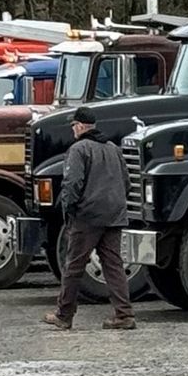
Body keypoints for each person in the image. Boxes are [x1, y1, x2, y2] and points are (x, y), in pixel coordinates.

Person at [45, 109, 134, 329]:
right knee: (114, 265)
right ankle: (124, 315)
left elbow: (72, 183)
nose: (72, 129)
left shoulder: (79, 149)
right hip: (114, 215)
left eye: (73, 125)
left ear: (81, 126)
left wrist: (69, 209)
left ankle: (64, 314)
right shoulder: (113, 148)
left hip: (87, 216)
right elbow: (127, 182)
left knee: (74, 265)